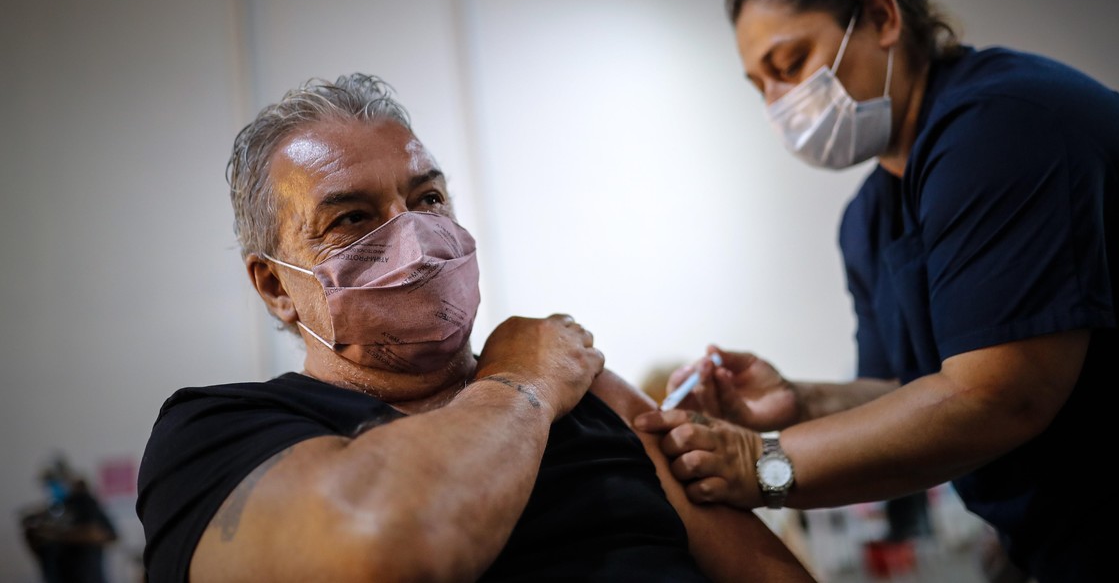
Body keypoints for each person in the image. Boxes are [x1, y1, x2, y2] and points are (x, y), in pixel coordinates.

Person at [633, 0, 1119, 582]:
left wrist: (758, 462)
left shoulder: (1004, 127)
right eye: (760, 84)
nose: (779, 104)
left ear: (882, 17)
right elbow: (909, 390)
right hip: (1073, 542)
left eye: (789, 64)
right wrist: (799, 400)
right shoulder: (868, 219)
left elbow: (1000, 396)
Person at [135, 73, 815, 583]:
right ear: (276, 286)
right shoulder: (217, 435)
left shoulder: (591, 396)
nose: (416, 239)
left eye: (428, 198)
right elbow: (391, 550)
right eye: (352, 218)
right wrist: (521, 380)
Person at [21, 456, 118, 583]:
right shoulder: (52, 510)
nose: (52, 488)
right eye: (49, 483)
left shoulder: (84, 504)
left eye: (55, 482)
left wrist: (55, 534)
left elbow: (105, 535)